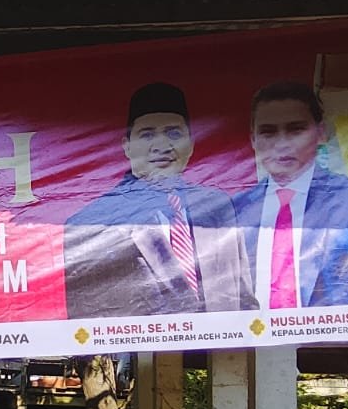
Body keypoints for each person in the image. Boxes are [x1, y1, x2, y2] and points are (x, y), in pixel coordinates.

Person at [64, 83, 255, 318]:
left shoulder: (218, 207)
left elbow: (245, 302)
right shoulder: (90, 223)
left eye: (174, 133)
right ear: (127, 146)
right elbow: (84, 320)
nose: (162, 146)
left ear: (191, 144)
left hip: (221, 342)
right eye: (147, 134)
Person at [234, 82, 348, 309]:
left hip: (343, 331)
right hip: (253, 331)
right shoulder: (234, 210)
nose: (282, 144)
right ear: (253, 139)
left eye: (296, 130)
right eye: (268, 132)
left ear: (321, 133)